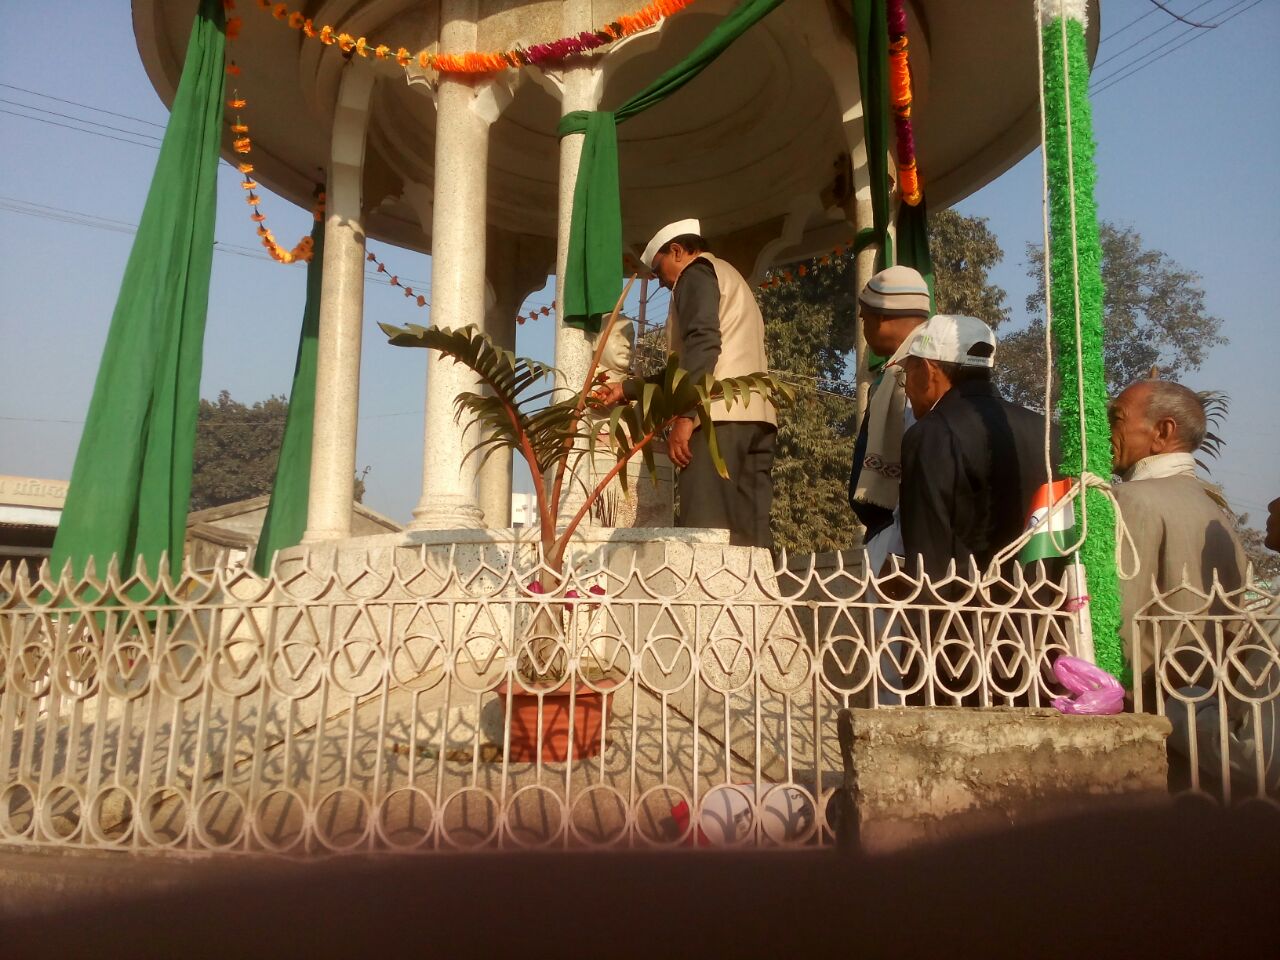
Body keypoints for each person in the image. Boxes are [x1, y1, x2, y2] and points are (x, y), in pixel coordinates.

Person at [601, 219, 776, 548]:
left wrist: (686, 416)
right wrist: (626, 389)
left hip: (715, 422)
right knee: (750, 539)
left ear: (677, 251)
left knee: (706, 535)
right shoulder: (729, 277)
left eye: (658, 271)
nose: (661, 283)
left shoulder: (694, 274)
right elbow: (685, 369)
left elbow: (704, 347)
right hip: (757, 420)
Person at [1108, 379, 1247, 680]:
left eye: (1116, 419)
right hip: (1205, 699)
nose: (1104, 431)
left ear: (1162, 432)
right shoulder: (1215, 509)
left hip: (1141, 703)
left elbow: (1116, 619)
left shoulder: (1130, 499)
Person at [897, 314, 1050, 581]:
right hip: (1043, 611)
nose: (907, 388)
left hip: (967, 615)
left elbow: (929, 560)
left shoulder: (932, 435)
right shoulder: (1047, 432)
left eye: (907, 373)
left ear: (928, 369)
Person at [846, 266, 932, 574]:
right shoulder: (902, 369)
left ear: (883, 318)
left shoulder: (918, 373)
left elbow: (920, 474)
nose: (863, 326)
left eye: (865, 318)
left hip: (905, 544)